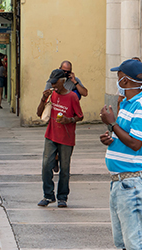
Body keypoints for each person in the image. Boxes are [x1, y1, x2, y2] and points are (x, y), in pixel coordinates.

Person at [99, 59, 142, 250]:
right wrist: (111, 136)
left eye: (118, 77)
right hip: (121, 182)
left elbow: (135, 143)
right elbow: (126, 137)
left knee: (136, 243)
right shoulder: (127, 105)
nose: (117, 82)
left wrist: (112, 123)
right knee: (123, 242)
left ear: (124, 81)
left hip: (133, 183)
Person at [35, 69, 84, 207]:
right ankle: (48, 195)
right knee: (46, 166)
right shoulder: (51, 95)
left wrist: (68, 120)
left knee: (64, 168)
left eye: (56, 83)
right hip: (51, 135)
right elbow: (39, 113)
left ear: (63, 82)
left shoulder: (72, 97)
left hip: (66, 138)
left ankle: (62, 196)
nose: (53, 86)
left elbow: (80, 116)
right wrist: (43, 99)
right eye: (52, 83)